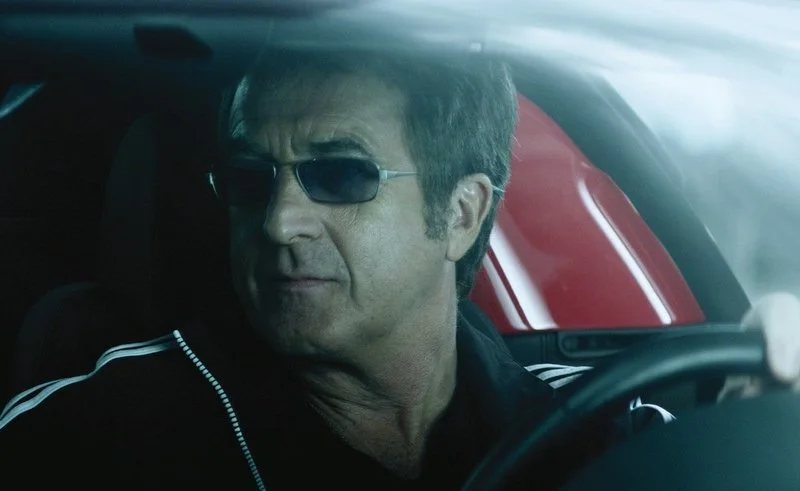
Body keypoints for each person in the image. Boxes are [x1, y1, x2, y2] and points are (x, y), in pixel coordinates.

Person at [1, 49, 799, 490]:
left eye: (339, 174)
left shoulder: (606, 432)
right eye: (249, 178)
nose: (278, 221)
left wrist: (759, 430)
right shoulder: (83, 439)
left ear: (461, 213)